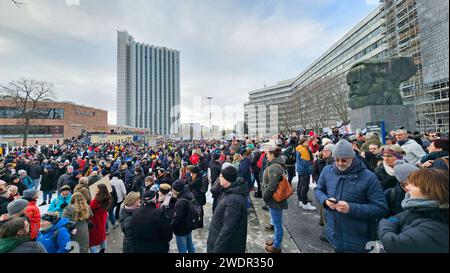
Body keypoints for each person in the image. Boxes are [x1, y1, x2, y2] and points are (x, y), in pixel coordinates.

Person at [315, 140, 389, 253]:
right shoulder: (327, 171)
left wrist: (350, 208)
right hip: (333, 232)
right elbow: (319, 190)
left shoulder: (369, 177)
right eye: (337, 159)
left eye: (344, 160)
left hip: (359, 238)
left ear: (352, 158)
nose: (339, 163)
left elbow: (380, 208)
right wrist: (325, 201)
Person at [378, 169, 448, 253]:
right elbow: (395, 218)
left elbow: (393, 243)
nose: (407, 187)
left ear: (430, 190)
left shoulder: (436, 223)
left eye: (414, 185)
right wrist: (390, 221)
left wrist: (386, 224)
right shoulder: (418, 208)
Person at [207, 164, 247, 253]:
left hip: (225, 247)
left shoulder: (233, 200)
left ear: (227, 179)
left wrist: (217, 250)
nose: (219, 178)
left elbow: (227, 229)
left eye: (220, 176)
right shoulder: (228, 190)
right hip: (216, 237)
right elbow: (214, 190)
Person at [262, 145, 288, 253]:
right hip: (274, 199)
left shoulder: (275, 167)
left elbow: (272, 185)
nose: (266, 156)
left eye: (268, 154)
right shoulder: (275, 164)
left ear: (272, 154)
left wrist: (265, 196)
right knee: (276, 222)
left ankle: (276, 247)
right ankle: (276, 240)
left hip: (275, 199)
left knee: (277, 224)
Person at [312, 143, 335, 227]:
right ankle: (323, 221)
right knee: (323, 204)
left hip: (329, 188)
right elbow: (315, 172)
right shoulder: (321, 160)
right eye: (323, 151)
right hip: (323, 186)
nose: (324, 152)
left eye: (327, 151)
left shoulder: (332, 161)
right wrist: (319, 182)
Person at [171, 179, 196, 253]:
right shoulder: (188, 194)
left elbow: (177, 219)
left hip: (181, 230)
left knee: (182, 249)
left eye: (173, 189)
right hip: (188, 225)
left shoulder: (181, 202)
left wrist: (171, 226)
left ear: (177, 189)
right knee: (190, 245)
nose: (172, 190)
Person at [89, 183, 111, 253]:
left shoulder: (95, 200)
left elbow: (89, 209)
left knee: (91, 241)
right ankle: (103, 249)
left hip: (95, 220)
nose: (95, 189)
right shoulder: (107, 198)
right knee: (102, 235)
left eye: (97, 188)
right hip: (103, 218)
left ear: (100, 190)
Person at [295, 137, 316, 211]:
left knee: (300, 185)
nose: (308, 142)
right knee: (305, 187)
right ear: (302, 142)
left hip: (300, 170)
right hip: (305, 171)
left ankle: (301, 200)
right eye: (306, 141)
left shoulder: (299, 148)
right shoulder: (303, 150)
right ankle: (305, 203)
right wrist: (311, 169)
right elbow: (306, 163)